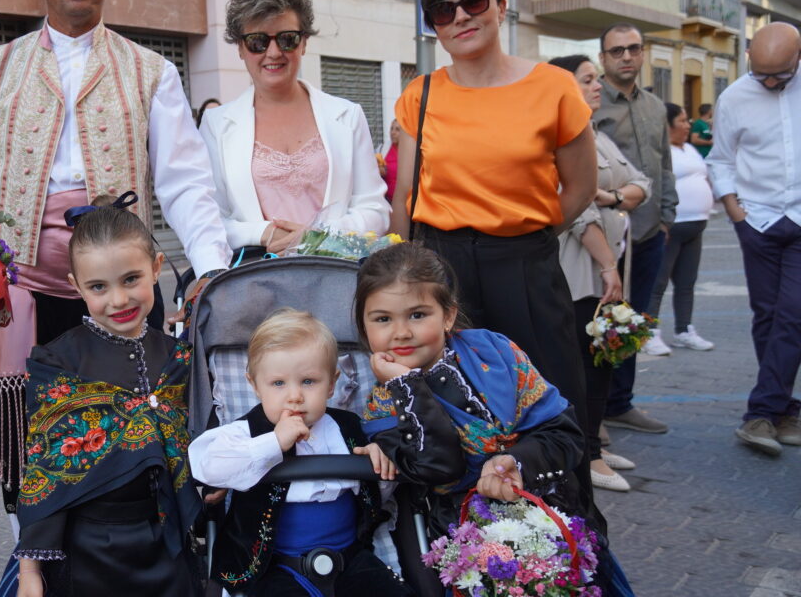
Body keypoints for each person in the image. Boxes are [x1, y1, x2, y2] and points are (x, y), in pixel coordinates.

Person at [0, 0, 231, 521]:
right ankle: (32, 562)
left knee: (135, 431)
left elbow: (184, 181)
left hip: (121, 291)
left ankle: (138, 549)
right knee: (27, 443)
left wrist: (210, 269)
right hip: (21, 290)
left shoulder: (151, 70)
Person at [386, 0, 596, 500]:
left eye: (474, 1)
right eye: (442, 9)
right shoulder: (420, 95)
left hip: (524, 265)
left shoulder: (554, 88)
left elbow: (577, 190)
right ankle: (459, 532)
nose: (460, 17)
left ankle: (567, 522)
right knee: (448, 395)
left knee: (552, 394)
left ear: (501, 5)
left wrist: (525, 233)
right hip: (443, 266)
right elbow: (405, 197)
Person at [355, 243, 622, 596]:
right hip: (454, 536)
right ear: (364, 324)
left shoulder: (495, 353)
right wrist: (406, 385)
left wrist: (515, 461)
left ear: (448, 315)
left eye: (418, 315)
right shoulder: (382, 404)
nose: (401, 332)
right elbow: (439, 466)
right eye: (383, 319)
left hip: (544, 506)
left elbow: (565, 433)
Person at [6, 196, 202, 597]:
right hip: (92, 555)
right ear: (76, 286)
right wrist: (30, 572)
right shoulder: (59, 363)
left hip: (170, 548)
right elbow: (45, 471)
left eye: (131, 279)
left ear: (156, 269)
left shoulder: (178, 356)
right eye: (98, 286)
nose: (118, 300)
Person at [190, 308, 411, 597]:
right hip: (273, 563)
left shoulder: (349, 428)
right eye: (278, 383)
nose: (294, 395)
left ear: (331, 384)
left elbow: (374, 497)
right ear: (255, 385)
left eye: (308, 381)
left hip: (350, 556)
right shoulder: (245, 433)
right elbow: (205, 465)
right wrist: (273, 444)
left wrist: (378, 464)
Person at [202, 0, 388, 256]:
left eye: (287, 39)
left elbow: (375, 209)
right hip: (258, 279)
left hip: (339, 274)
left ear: (304, 43)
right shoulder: (216, 125)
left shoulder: (347, 116)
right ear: (240, 48)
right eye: (257, 42)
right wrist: (264, 232)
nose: (274, 52)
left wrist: (318, 235)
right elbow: (209, 218)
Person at [549, 54, 651, 493]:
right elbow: (577, 210)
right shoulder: (559, 138)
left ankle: (595, 444)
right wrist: (608, 263)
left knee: (603, 357)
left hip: (610, 270)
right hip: (580, 273)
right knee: (581, 363)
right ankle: (584, 454)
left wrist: (610, 194)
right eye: (587, 79)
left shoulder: (597, 136)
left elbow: (641, 184)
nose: (597, 85)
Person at [706, 22, 801, 456]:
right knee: (766, 316)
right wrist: (733, 209)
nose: (767, 83)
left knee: (793, 315)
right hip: (757, 221)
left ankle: (759, 413)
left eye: (778, 76)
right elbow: (721, 159)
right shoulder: (734, 97)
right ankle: (782, 413)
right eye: (759, 73)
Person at [594, 22, 678, 431]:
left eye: (633, 49)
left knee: (636, 319)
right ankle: (596, 406)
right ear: (603, 58)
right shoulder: (592, 107)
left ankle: (621, 402)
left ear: (643, 53)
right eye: (617, 51)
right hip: (609, 236)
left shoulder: (655, 107)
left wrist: (666, 216)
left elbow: (664, 165)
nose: (626, 56)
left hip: (648, 232)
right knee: (601, 318)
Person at [648, 103, 716, 353]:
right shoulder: (660, 151)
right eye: (683, 121)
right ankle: (650, 332)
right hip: (671, 226)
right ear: (667, 125)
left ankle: (684, 329)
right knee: (659, 282)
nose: (688, 125)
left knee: (687, 282)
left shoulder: (688, 148)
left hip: (695, 225)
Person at [379, 119, 402, 203]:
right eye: (391, 129)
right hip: (387, 200)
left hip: (405, 201)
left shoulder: (411, 152)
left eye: (397, 129)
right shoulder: (383, 149)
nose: (393, 132)